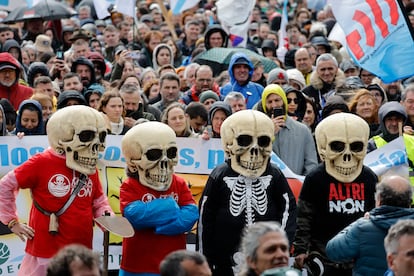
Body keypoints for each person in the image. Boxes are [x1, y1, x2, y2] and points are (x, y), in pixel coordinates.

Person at [0, 105, 113, 276]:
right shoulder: (42, 162)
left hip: (80, 251)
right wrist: (12, 222)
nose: (95, 145)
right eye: (87, 137)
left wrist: (107, 217)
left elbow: (98, 200)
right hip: (45, 251)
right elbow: (5, 185)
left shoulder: (89, 166)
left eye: (100, 137)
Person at [198, 109, 297, 275]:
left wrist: (281, 242)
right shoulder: (220, 174)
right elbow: (205, 218)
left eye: (263, 142)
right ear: (229, 144)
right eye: (244, 141)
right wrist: (206, 259)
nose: (254, 150)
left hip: (267, 259)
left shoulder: (274, 173)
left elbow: (289, 208)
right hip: (225, 259)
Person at [294, 113, 377, 276]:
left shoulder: (369, 177)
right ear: (323, 148)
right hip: (323, 257)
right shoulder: (315, 177)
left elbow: (375, 215)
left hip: (358, 258)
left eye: (356, 147)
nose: (347, 156)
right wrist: (300, 249)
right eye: (337, 147)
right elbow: (304, 216)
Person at [120, 122, 199, 275]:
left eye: (170, 153)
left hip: (173, 265)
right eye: (153, 155)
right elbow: (135, 216)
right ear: (133, 164)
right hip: (137, 265)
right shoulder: (129, 185)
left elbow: (191, 214)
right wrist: (170, 206)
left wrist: (160, 227)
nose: (163, 162)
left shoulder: (179, 182)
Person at [326, 175, 414, 276]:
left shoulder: (362, 228)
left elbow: (332, 251)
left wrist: (361, 221)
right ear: (409, 203)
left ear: (379, 200)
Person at [257, 84, 318, 176]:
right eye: (269, 102)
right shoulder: (258, 131)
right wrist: (270, 134)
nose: (274, 105)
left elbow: (311, 164)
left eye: (277, 100)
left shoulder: (303, 130)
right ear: (264, 105)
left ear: (284, 101)